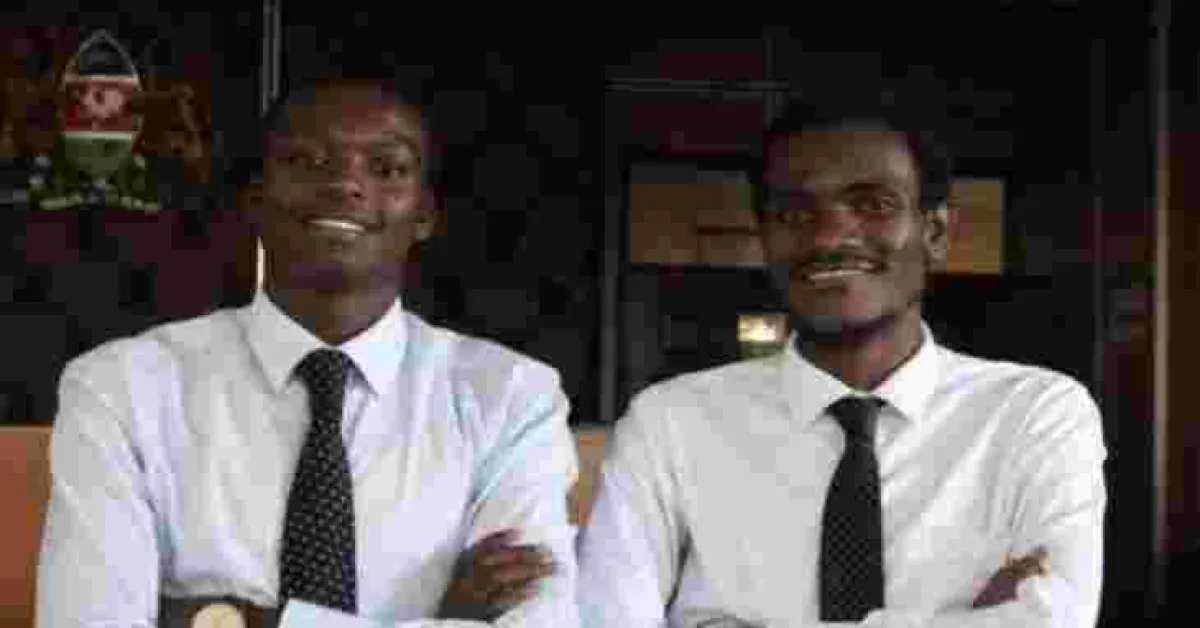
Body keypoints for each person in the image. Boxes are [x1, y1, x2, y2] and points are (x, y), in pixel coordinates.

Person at [37, 78, 579, 628]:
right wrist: (444, 620)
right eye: (307, 161)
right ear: (254, 200)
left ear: (424, 214)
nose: (345, 183)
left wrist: (237, 621)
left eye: (387, 167)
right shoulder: (121, 391)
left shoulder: (509, 399)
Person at [577, 100, 1107, 627]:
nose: (828, 237)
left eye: (873, 204)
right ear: (765, 239)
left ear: (936, 233)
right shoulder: (670, 425)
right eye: (793, 214)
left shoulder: (1034, 416)